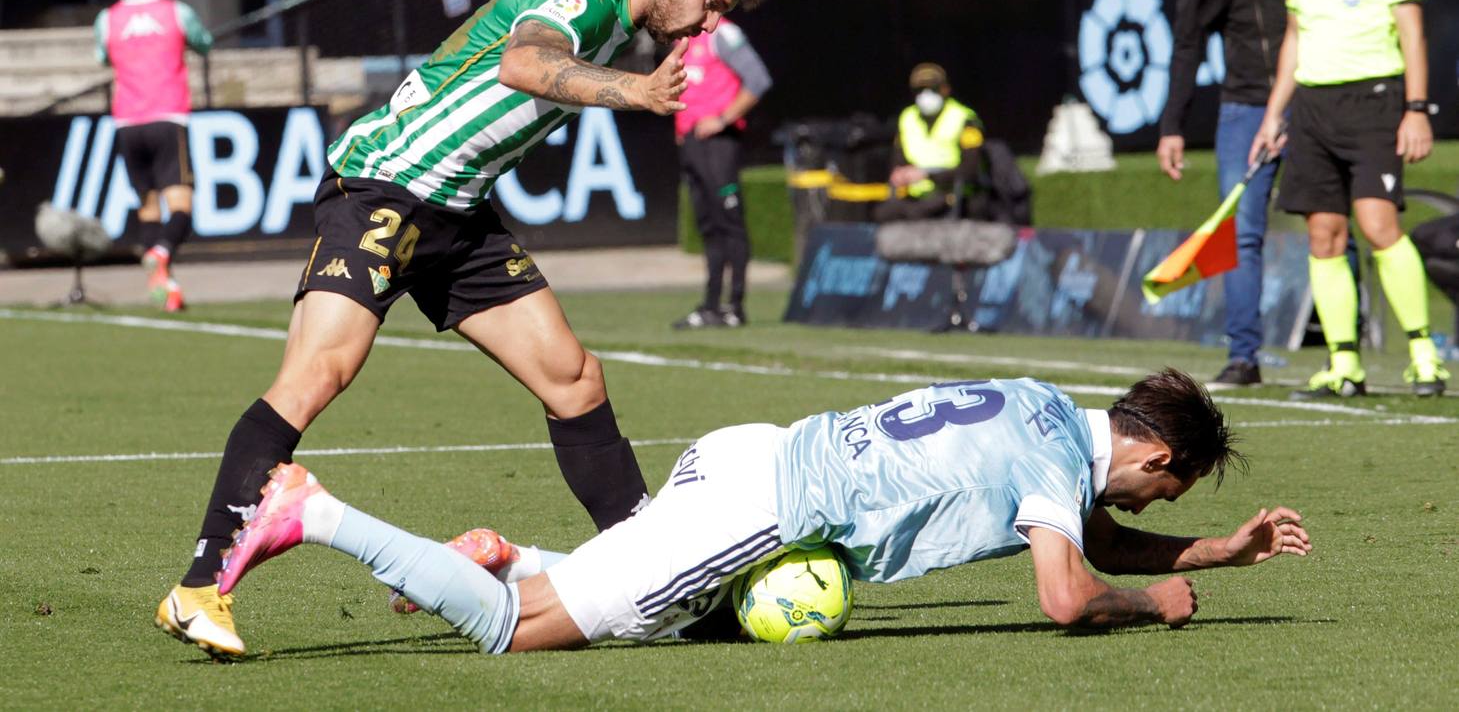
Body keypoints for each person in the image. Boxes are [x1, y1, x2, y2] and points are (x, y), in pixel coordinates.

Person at [153, 0, 773, 658]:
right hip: (385, 184)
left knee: (573, 379)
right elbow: (524, 62)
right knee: (319, 372)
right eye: (711, 3)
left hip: (457, 212)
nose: (710, 24)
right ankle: (198, 586)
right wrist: (632, 92)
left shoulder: (616, 14)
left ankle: (661, 578)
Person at [213, 370, 1310, 655]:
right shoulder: (1049, 467)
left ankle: (510, 553)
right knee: (520, 631)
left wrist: (1220, 549)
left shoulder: (1044, 413)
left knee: (673, 614)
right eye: (1171, 488)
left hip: (750, 452)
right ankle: (315, 511)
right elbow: (1071, 592)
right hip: (764, 510)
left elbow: (1092, 525)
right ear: (1155, 454)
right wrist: (1155, 603)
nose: (1150, 502)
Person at [1250, 0, 1447, 400]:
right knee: (1323, 234)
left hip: (1375, 100)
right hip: (1312, 106)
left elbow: (1411, 30)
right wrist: (1274, 114)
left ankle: (1423, 354)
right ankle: (1344, 366)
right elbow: (1294, 35)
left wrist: (1416, 108)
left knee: (1379, 225)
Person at [1157, 0, 1306, 387]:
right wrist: (1172, 124)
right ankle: (1244, 355)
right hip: (1243, 106)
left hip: (1311, 99)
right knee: (1240, 233)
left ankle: (1346, 352)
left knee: (1331, 226)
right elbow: (1187, 44)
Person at [95, 0, 214, 311]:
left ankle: (167, 289)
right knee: (182, 205)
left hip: (127, 122)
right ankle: (161, 254)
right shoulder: (177, 12)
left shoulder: (107, 18)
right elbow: (204, 43)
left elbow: (102, 56)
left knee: (148, 207)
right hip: (167, 117)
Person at [671, 18, 772, 329]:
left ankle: (735, 305)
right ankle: (711, 305)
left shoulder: (723, 34)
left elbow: (758, 79)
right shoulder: (683, 39)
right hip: (693, 143)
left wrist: (723, 118)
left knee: (730, 224)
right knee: (709, 226)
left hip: (718, 144)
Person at [874, 63, 984, 222]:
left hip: (951, 194)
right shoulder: (907, 117)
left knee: (920, 213)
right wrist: (900, 174)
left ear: (945, 89)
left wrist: (928, 174)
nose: (925, 95)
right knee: (884, 214)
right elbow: (897, 161)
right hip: (914, 197)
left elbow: (970, 170)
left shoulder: (964, 118)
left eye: (932, 89)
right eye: (920, 90)